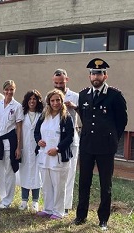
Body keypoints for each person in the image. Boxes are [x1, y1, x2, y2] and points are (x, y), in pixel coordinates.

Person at [74, 58, 128, 230]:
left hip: (106, 147)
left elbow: (122, 121)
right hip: (87, 146)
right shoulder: (83, 95)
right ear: (89, 76)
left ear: (105, 75)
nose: (95, 76)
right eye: (92, 73)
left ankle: (103, 219)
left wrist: (112, 138)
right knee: (84, 182)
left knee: (106, 184)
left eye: (99, 73)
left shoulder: (115, 95)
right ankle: (81, 216)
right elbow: (84, 117)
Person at [34, 89, 74, 219]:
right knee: (46, 184)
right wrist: (38, 140)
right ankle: (48, 209)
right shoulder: (43, 116)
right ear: (48, 102)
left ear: (62, 101)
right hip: (44, 156)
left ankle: (58, 212)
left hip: (58, 157)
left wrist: (57, 149)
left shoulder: (66, 117)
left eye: (58, 100)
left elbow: (70, 137)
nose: (55, 103)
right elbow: (36, 132)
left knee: (58, 185)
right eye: (52, 100)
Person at [0, 80, 23, 209]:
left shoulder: (17, 106)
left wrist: (19, 146)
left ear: (14, 90)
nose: (9, 92)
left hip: (9, 142)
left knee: (9, 171)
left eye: (11, 89)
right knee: (0, 171)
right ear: (3, 90)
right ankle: (2, 198)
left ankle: (8, 200)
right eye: (7, 89)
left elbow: (19, 127)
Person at [52, 68, 80, 215]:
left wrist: (74, 107)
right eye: (56, 83)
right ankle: (54, 203)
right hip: (55, 140)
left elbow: (84, 113)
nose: (58, 85)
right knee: (55, 173)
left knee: (69, 172)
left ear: (66, 80)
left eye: (61, 82)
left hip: (71, 139)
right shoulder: (51, 97)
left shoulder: (75, 96)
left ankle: (66, 205)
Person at [18, 90, 44, 212]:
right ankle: (24, 200)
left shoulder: (42, 115)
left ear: (38, 101)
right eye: (30, 99)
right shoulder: (22, 114)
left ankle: (35, 201)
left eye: (34, 99)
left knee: (36, 174)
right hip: (25, 147)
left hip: (38, 149)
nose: (32, 101)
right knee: (24, 172)